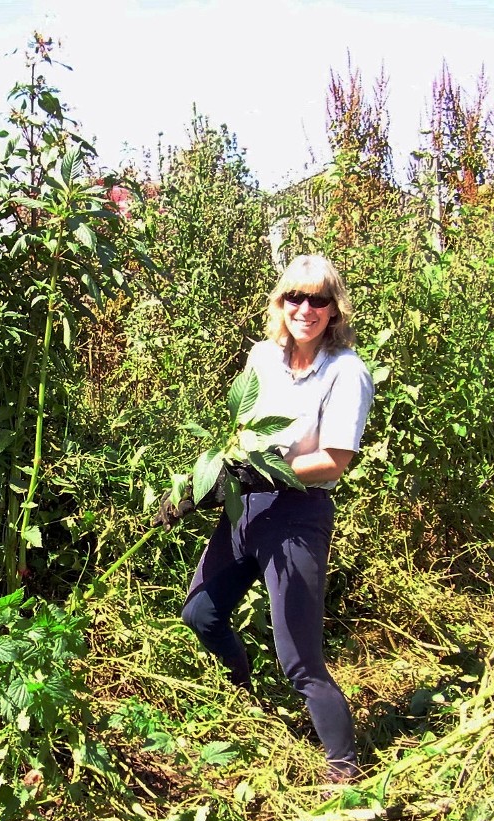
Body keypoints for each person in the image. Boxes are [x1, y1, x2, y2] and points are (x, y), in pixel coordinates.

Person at [157, 254, 374, 782]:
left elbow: (335, 461)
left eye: (317, 299)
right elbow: (241, 437)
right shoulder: (261, 357)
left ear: (333, 308)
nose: (305, 308)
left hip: (299, 512)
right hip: (248, 503)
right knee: (201, 613)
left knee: (299, 659)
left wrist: (266, 471)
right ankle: (244, 701)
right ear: (280, 303)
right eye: (294, 297)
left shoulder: (346, 370)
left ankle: (344, 769)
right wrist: (200, 486)